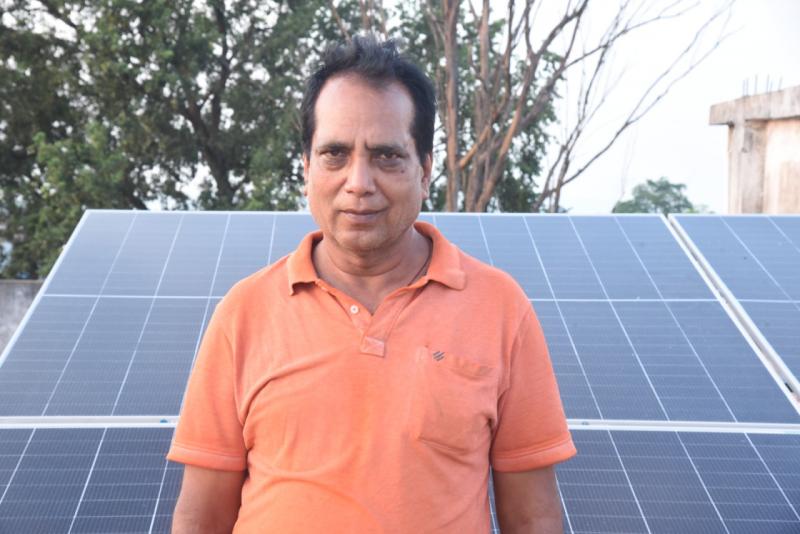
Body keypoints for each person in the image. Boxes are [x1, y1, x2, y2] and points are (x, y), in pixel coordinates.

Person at [168, 34, 575, 534]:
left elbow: (532, 517)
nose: (358, 182)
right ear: (307, 169)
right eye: (335, 154)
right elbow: (201, 516)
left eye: (386, 156)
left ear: (424, 170)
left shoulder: (500, 308)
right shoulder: (244, 312)